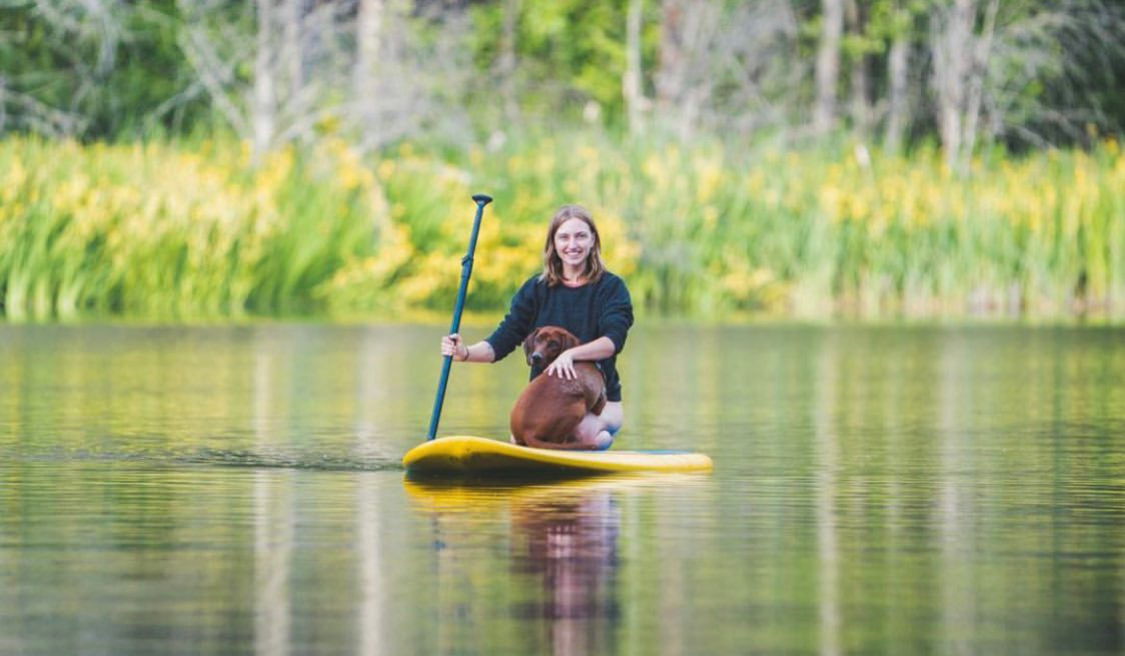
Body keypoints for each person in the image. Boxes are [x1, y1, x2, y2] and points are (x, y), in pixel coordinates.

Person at [440, 204, 634, 450]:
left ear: (593, 239)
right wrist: (464, 352)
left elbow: (612, 342)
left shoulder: (611, 288)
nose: (572, 244)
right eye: (564, 237)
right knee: (519, 438)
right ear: (553, 242)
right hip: (549, 402)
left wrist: (570, 354)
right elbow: (501, 341)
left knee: (581, 433)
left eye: (580, 236)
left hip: (602, 402)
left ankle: (597, 444)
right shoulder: (536, 289)